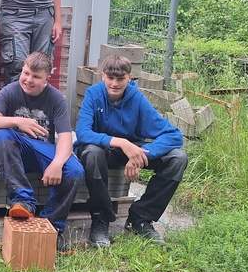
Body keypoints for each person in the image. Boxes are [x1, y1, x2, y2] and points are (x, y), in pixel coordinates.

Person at [75, 55, 187, 248]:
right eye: (110, 78)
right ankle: (100, 220)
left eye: (120, 79)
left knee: (178, 158)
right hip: (103, 150)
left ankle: (140, 218)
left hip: (133, 150)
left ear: (129, 77)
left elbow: (174, 135)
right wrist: (121, 142)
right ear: (103, 76)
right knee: (91, 152)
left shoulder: (136, 99)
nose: (115, 83)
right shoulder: (93, 94)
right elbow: (83, 132)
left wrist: (141, 154)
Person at [0, 51, 83, 252]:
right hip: (14, 147)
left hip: (41, 150)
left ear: (46, 79)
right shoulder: (10, 91)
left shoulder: (56, 99)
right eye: (26, 73)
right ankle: (23, 201)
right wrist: (17, 121)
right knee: (0, 134)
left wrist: (57, 163)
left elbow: (64, 137)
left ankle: (53, 227)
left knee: (75, 171)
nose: (28, 80)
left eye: (36, 77)